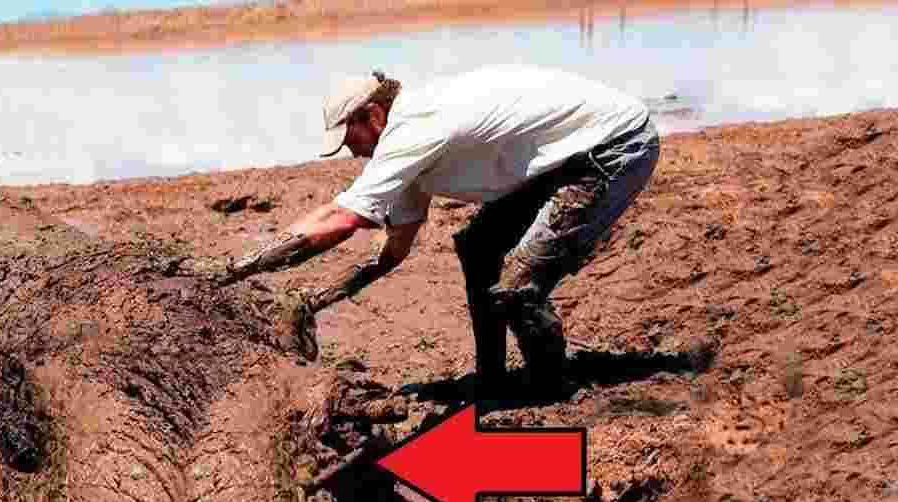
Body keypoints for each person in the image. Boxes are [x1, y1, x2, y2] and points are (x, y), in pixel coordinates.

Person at [201, 64, 660, 399]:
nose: (351, 153)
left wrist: (231, 271)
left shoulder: (413, 129)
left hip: (613, 147)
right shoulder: (408, 148)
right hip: (563, 155)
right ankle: (493, 379)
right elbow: (394, 250)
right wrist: (318, 300)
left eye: (349, 140)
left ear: (371, 116)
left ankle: (551, 389)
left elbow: (341, 218)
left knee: (520, 283)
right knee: (478, 247)